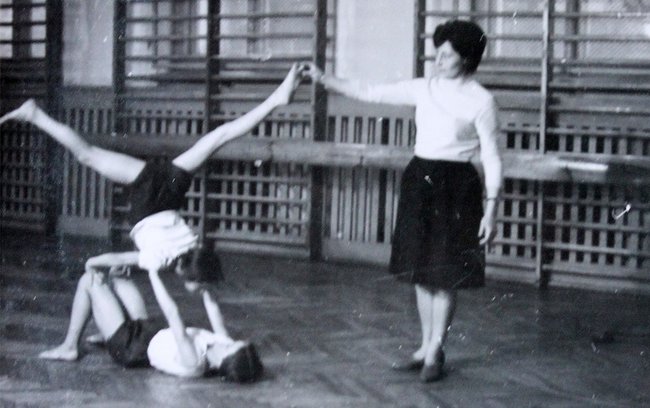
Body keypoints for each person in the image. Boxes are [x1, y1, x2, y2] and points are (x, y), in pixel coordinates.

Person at [304, 20, 502, 382]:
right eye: (437, 52)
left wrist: (491, 208)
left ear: (467, 59)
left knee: (444, 275)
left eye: (447, 54)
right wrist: (323, 77)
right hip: (420, 179)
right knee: (421, 270)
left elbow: (491, 157)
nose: (438, 59)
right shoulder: (423, 88)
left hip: (458, 186)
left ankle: (437, 349)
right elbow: (371, 91)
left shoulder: (482, 101)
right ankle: (425, 346)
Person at [0, 63, 305, 276]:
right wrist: (93, 263)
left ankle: (276, 99)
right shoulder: (157, 262)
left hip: (171, 189)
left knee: (219, 136)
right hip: (147, 203)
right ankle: (35, 115)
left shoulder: (195, 246)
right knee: (87, 155)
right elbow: (117, 258)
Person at [38, 251, 264, 382]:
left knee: (88, 281)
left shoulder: (194, 362)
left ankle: (70, 346)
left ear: (227, 358)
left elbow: (172, 313)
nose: (234, 341)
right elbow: (214, 311)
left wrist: (153, 273)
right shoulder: (221, 345)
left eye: (235, 346)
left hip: (131, 347)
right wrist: (205, 286)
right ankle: (106, 330)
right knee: (118, 277)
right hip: (151, 331)